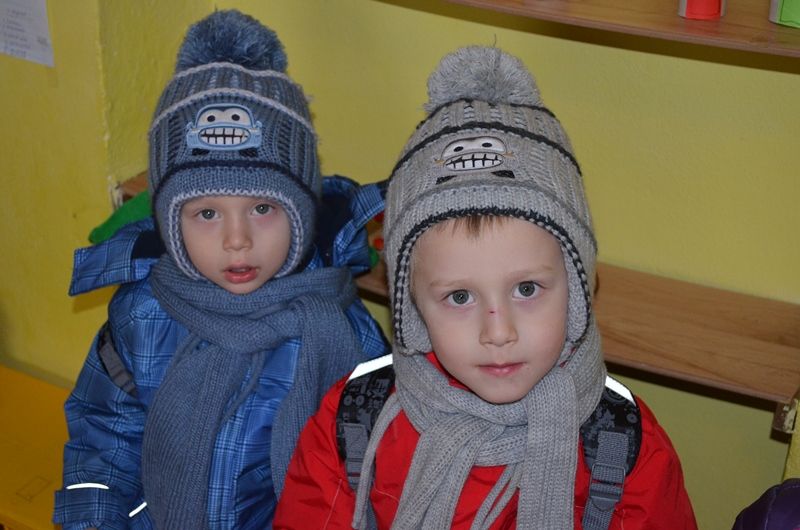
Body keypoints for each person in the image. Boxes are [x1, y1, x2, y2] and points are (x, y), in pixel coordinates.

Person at [273, 46, 697, 529]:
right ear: (413, 310)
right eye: (460, 297)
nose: (498, 332)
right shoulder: (355, 422)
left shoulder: (624, 449)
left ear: (577, 292)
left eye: (527, 289)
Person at [53, 10, 386, 530]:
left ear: (302, 213)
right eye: (207, 213)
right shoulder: (141, 316)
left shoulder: (341, 330)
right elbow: (104, 438)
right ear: (170, 221)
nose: (237, 239)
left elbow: (372, 472)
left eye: (263, 208)